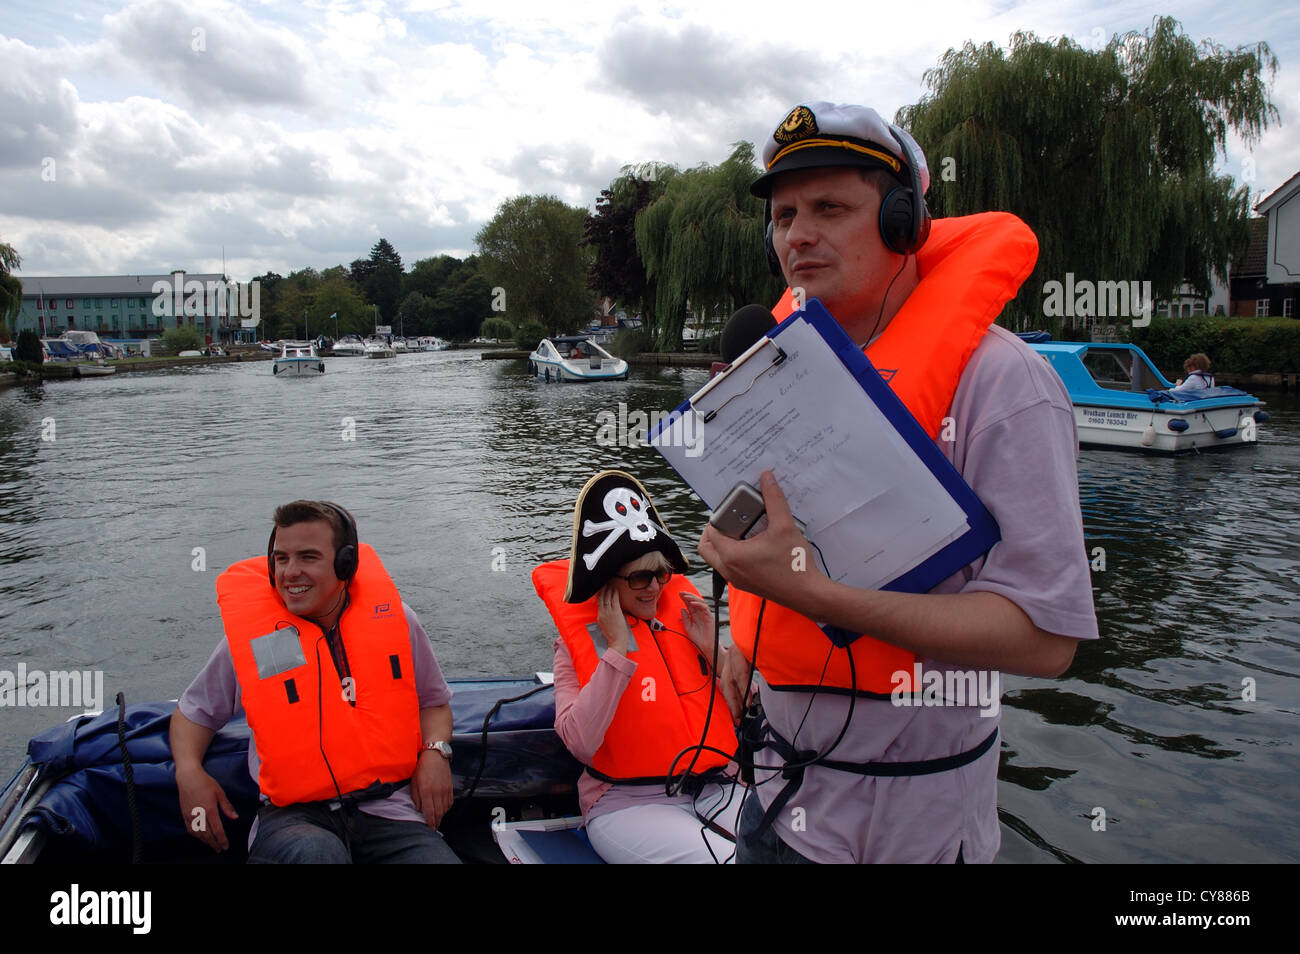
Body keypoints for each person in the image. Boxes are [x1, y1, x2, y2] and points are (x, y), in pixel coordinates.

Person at [696, 102, 1099, 863]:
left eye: (829, 208)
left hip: (908, 836)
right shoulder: (775, 375)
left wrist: (819, 599)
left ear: (904, 221)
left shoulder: (1005, 383)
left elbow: (1047, 642)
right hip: (774, 805)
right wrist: (744, 633)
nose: (797, 236)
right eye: (783, 216)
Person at [169, 500, 461, 863]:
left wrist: (436, 754)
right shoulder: (258, 642)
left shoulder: (397, 622)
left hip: (390, 810)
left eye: (308, 557)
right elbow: (193, 714)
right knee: (317, 855)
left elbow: (433, 702)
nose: (290, 572)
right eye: (280, 558)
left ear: (345, 564)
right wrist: (189, 773)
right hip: (294, 819)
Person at [532, 470, 743, 863]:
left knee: (791, 848)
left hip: (717, 786)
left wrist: (714, 651)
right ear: (606, 585)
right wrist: (616, 650)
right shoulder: (572, 648)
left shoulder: (686, 624)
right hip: (626, 804)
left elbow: (745, 709)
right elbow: (579, 740)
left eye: (662, 573)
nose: (655, 587)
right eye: (640, 577)